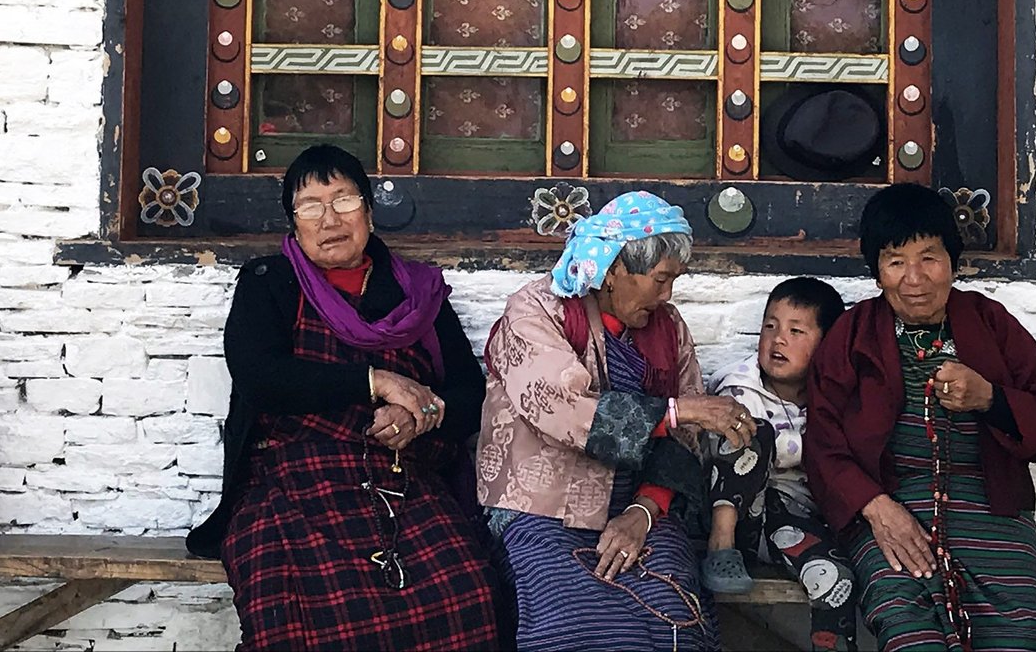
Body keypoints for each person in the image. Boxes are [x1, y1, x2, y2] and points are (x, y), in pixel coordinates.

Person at [187, 143, 499, 651]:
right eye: (311, 206)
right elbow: (260, 377)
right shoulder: (270, 284)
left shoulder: (418, 295)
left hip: (402, 483)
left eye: (345, 201)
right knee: (301, 621)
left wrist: (422, 412)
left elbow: (469, 392)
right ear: (293, 222)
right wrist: (375, 382)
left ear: (370, 213)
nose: (330, 218)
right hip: (292, 485)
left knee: (466, 595)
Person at [476, 191, 756, 652]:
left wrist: (643, 512)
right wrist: (676, 410)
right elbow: (562, 408)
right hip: (545, 506)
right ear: (613, 269)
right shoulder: (536, 311)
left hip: (639, 505)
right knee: (575, 627)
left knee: (673, 623)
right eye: (660, 279)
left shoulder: (668, 327)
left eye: (675, 281)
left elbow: (683, 439)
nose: (667, 296)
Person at [805, 182, 1036, 652]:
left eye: (929, 256)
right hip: (891, 513)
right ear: (877, 272)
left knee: (1023, 637)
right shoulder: (853, 333)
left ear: (952, 261)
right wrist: (876, 507)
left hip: (992, 510)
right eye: (895, 261)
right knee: (914, 639)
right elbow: (824, 442)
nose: (915, 278)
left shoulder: (990, 322)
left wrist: (990, 397)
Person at [700, 276, 857, 652]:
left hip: (795, 524)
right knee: (749, 432)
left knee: (836, 580)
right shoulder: (738, 389)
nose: (778, 339)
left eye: (796, 330)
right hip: (740, 516)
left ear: (827, 343)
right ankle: (720, 550)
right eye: (769, 326)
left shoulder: (836, 396)